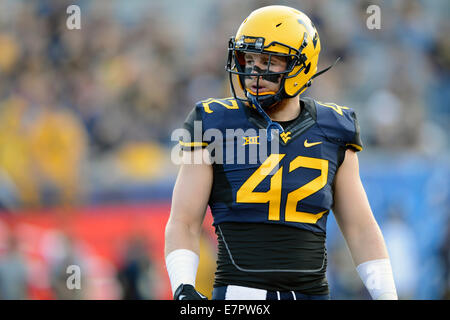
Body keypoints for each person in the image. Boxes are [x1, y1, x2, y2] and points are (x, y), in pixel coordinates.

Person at [165, 5, 397, 300]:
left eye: (267, 61)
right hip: (239, 298)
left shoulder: (334, 128)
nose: (253, 71)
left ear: (301, 66)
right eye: (248, 59)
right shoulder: (212, 121)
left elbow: (361, 228)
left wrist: (387, 295)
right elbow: (183, 220)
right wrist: (183, 286)